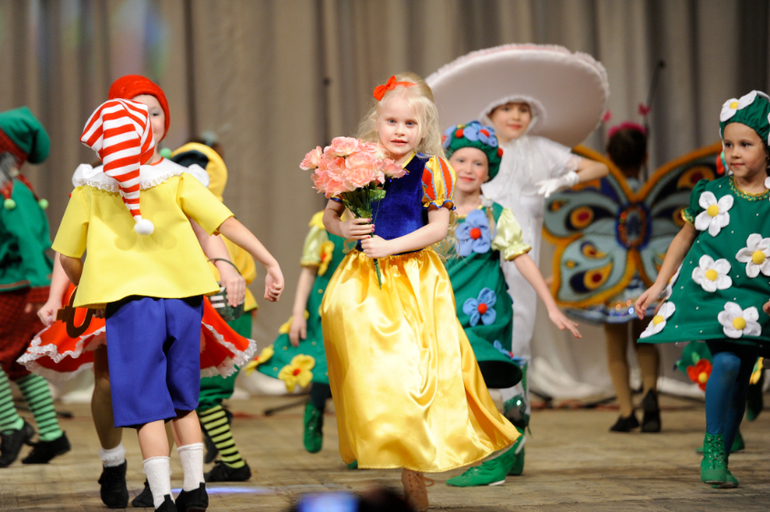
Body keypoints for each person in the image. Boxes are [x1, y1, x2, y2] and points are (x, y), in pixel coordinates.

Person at [24, 77, 253, 509]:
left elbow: (206, 226)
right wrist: (58, 296)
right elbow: (70, 246)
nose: (147, 119)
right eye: (136, 111)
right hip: (112, 288)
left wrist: (224, 263)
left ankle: (160, 482)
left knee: (170, 384)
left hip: (172, 287)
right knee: (110, 381)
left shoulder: (175, 175)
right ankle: (113, 461)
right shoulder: (96, 179)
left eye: (155, 112)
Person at [320, 73, 519, 512]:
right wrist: (343, 228)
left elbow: (438, 227)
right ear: (377, 122)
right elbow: (330, 216)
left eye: (410, 124)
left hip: (414, 278)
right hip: (364, 280)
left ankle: (415, 466)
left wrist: (390, 247)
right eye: (392, 121)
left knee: (417, 371)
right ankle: (386, 440)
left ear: (424, 128)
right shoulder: (355, 163)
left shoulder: (431, 169)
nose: (399, 131)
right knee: (376, 370)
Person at [426, 46, 610, 476]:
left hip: (515, 253)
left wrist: (563, 179)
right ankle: (478, 437)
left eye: (523, 109)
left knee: (514, 340)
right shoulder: (467, 164)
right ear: (489, 113)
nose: (515, 116)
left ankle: (513, 436)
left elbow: (596, 170)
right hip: (470, 259)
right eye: (507, 108)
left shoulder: (539, 149)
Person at [635, 90, 770, 489]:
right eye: (728, 144)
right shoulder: (713, 193)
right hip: (714, 291)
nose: (734, 153)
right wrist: (660, 284)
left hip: (756, 295)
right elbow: (684, 237)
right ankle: (712, 452)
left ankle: (723, 455)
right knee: (726, 363)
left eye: (745, 144)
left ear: (767, 146)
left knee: (742, 376)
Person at [440, 120, 581, 487]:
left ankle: (496, 458)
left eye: (478, 163)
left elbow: (521, 258)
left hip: (485, 312)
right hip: (445, 310)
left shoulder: (495, 215)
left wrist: (551, 306)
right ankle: (513, 442)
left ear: (489, 171)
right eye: (461, 160)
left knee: (482, 379)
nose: (468, 169)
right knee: (456, 383)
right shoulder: (435, 213)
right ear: (447, 163)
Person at [171, 141, 258, 484]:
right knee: (207, 392)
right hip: (235, 308)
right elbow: (247, 269)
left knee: (204, 394)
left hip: (215, 309)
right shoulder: (225, 217)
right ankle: (225, 454)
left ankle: (234, 463)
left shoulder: (199, 222)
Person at [571, 123, 662, 432]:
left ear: (608, 158)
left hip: (613, 281)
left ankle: (626, 411)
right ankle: (651, 396)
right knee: (646, 340)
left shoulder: (603, 194)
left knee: (615, 349)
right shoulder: (652, 194)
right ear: (645, 157)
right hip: (646, 279)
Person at [0, 107, 71, 468]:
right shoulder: (10, 189)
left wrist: (38, 291)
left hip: (22, 285)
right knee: (17, 365)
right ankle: (53, 435)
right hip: (19, 283)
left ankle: (12, 426)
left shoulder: (12, 192)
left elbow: (28, 240)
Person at [249, 210, 346, 455]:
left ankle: (354, 440)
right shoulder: (323, 222)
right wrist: (298, 313)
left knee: (354, 369)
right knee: (323, 363)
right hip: (325, 303)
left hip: (360, 301)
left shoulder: (377, 216)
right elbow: (309, 271)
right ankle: (314, 410)